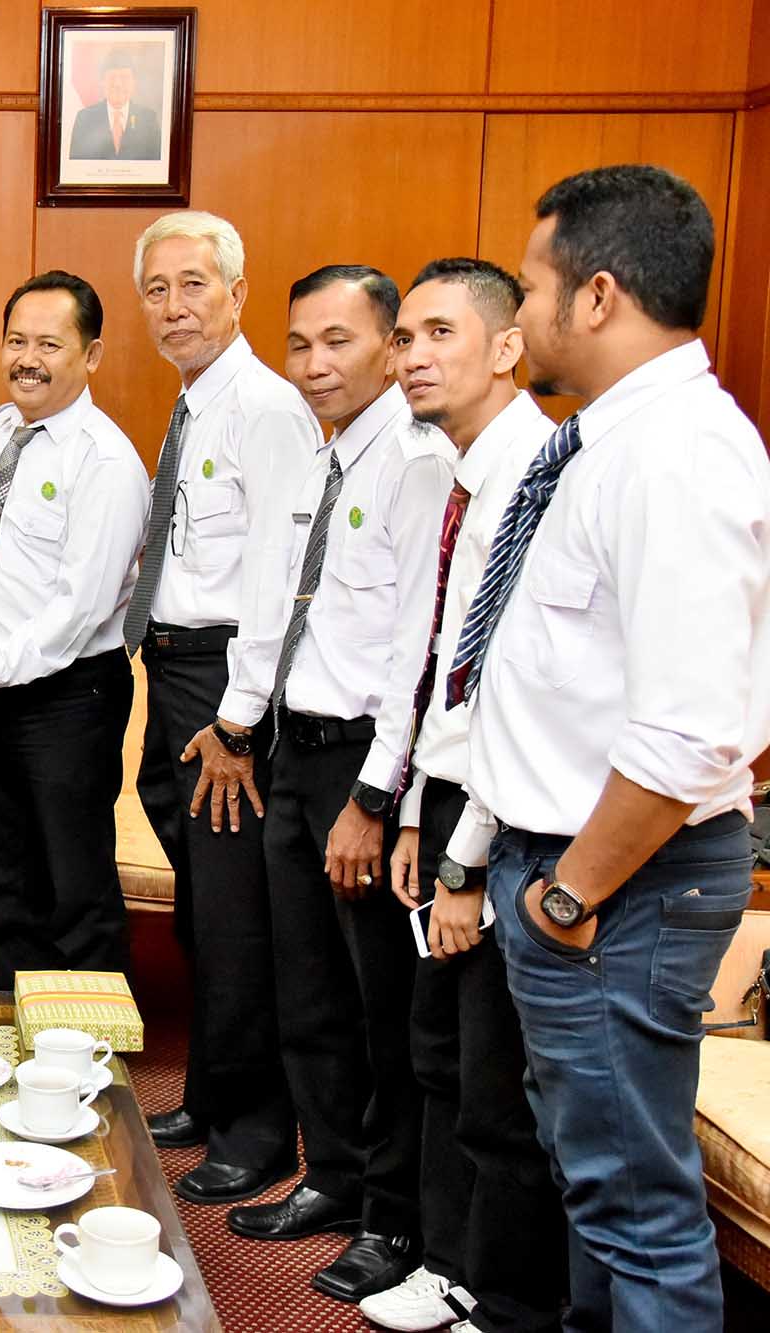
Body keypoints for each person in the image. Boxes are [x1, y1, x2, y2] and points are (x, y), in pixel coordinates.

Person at [448, 164, 770, 1330]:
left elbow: (691, 732)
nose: (519, 316)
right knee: (596, 1194)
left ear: (593, 295)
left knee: (632, 1212)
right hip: (578, 876)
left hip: (613, 887)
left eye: (528, 289)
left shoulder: (671, 454)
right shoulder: (610, 441)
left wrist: (568, 895)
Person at [222, 266, 454, 1306]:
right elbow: (275, 609)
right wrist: (239, 723)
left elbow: (417, 648)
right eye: (297, 345)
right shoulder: (313, 463)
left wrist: (372, 797)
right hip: (292, 750)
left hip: (365, 762)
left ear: (390, 346)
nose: (314, 365)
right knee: (304, 987)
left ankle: (397, 1220)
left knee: (380, 1008)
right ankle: (335, 1178)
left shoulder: (416, 464)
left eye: (340, 342)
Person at [357, 258, 566, 1333]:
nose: (411, 355)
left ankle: (508, 1297)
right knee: (434, 1052)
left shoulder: (542, 478)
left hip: (507, 819)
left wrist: (462, 861)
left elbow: (515, 694)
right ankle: (445, 1264)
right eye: (403, 337)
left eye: (437, 332)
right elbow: (440, 657)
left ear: (504, 347)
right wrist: (407, 811)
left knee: (494, 1083)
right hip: (443, 798)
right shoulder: (455, 473)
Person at [121, 212, 315, 1206]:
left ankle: (256, 1131)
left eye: (193, 284)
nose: (173, 305)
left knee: (240, 917)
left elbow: (281, 576)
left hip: (229, 687)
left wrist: (237, 721)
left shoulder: (265, 408)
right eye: (156, 289)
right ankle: (209, 1093)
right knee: (203, 906)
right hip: (177, 669)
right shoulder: (195, 402)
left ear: (237, 294)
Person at [0, 271, 148, 986]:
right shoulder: (1, 428)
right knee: (1, 878)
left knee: (72, 885)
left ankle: (90, 1065)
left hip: (67, 696)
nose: (29, 358)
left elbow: (81, 608)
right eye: (17, 340)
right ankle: (23, 1038)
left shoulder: (106, 462)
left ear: (93, 354)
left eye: (50, 343)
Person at [69, 49, 162, 161]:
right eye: (112, 77)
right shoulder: (84, 118)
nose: (117, 84)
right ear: (102, 82)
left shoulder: (149, 120)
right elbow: (76, 167)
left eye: (124, 77)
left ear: (134, 83)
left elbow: (156, 168)